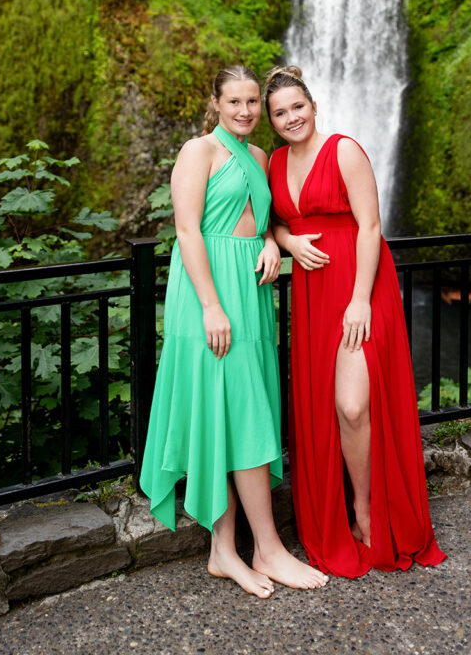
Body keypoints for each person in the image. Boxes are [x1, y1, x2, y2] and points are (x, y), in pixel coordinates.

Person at [140, 65, 328, 598]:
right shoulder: (197, 151)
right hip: (210, 294)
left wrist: (272, 241)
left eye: (252, 103)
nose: (245, 111)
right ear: (217, 104)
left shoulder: (261, 157)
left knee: (234, 412)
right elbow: (186, 229)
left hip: (250, 292)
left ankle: (227, 552)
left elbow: (262, 218)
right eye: (235, 102)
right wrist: (210, 306)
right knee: (231, 411)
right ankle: (262, 548)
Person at [264, 66, 446, 579]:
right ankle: (347, 511)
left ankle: (366, 510)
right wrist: (286, 240)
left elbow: (370, 225)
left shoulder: (345, 149)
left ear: (314, 106)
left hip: (358, 289)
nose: (291, 117)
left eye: (297, 106)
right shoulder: (276, 163)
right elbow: (274, 219)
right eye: (280, 112)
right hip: (313, 292)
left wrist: (361, 299)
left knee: (351, 404)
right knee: (333, 407)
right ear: (272, 122)